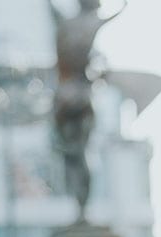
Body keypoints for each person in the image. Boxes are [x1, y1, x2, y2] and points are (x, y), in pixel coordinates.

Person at [50, 0, 125, 219]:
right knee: (77, 155)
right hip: (77, 97)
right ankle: (81, 206)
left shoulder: (68, 24)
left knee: (75, 155)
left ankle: (81, 206)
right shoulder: (86, 23)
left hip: (66, 98)